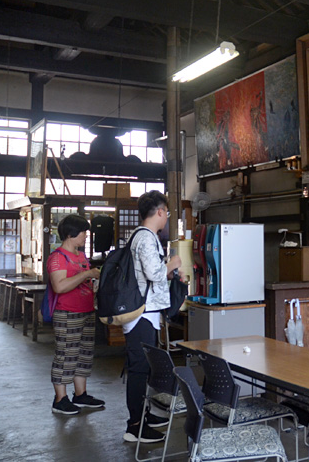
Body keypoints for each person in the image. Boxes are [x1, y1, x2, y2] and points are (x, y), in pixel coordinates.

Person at [122, 190, 181, 443]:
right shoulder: (146, 238)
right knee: (138, 369)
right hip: (141, 315)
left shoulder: (140, 236)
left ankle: (143, 416)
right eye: (166, 212)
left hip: (144, 313)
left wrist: (164, 271)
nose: (166, 217)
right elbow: (154, 273)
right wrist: (173, 263)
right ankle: (135, 427)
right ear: (159, 211)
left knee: (143, 369)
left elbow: (149, 274)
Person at [47, 214, 104, 415]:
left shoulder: (81, 256)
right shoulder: (58, 257)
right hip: (67, 313)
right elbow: (59, 286)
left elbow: (83, 282)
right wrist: (88, 274)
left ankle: (80, 395)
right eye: (83, 232)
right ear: (71, 234)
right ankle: (60, 399)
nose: (86, 236)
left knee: (84, 355)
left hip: (87, 310)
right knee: (66, 355)